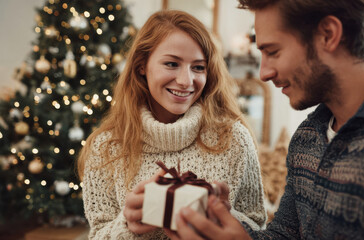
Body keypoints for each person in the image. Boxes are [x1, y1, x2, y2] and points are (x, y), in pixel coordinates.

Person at [165, 0, 364, 239]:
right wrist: (223, 223)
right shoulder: (308, 135)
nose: (264, 73)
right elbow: (284, 235)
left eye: (273, 51)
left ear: (328, 34)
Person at [77, 10, 267, 239]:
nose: (186, 81)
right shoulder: (106, 147)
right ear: (141, 66)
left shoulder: (233, 138)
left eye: (198, 67)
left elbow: (258, 229)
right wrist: (127, 225)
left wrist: (226, 217)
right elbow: (98, 235)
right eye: (171, 64)